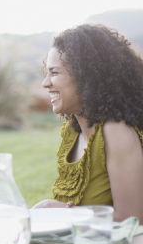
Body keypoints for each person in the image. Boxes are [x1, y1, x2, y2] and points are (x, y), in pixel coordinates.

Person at [35, 24, 143, 221]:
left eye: (55, 73)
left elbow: (133, 218)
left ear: (87, 77)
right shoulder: (72, 131)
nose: (45, 83)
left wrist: (61, 212)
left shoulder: (116, 132)